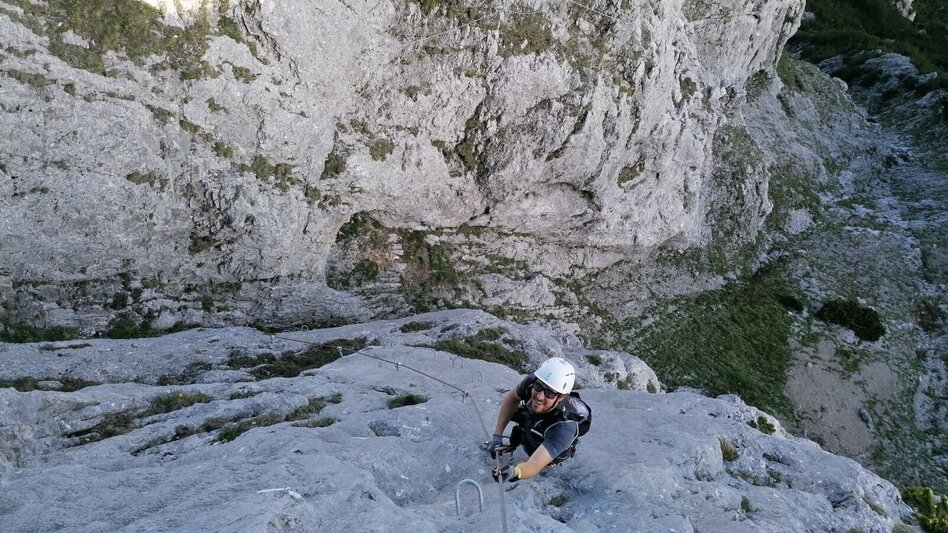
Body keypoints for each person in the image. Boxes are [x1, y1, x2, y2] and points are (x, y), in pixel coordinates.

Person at [487, 357, 590, 483]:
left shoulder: (564, 427)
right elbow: (512, 398)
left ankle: (549, 459)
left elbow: (534, 465)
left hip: (552, 432)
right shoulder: (533, 381)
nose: (540, 396)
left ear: (561, 396)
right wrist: (497, 436)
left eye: (550, 393)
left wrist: (515, 472)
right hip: (538, 419)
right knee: (524, 414)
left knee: (540, 452)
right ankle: (520, 437)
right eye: (539, 386)